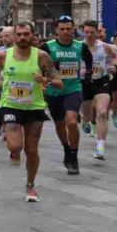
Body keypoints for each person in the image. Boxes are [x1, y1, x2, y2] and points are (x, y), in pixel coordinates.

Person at [0, 22, 62, 202]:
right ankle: (14, 151)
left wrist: (45, 80)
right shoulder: (3, 56)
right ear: (15, 36)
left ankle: (30, 184)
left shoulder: (42, 56)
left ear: (33, 35)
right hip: (11, 104)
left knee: (31, 149)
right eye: (19, 34)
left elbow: (59, 82)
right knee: (15, 146)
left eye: (26, 34)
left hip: (34, 107)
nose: (22, 37)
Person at [39, 16, 91, 175]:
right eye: (62, 29)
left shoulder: (80, 46)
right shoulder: (47, 47)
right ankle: (66, 149)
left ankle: (74, 156)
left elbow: (89, 60)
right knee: (60, 124)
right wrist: (44, 80)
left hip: (73, 88)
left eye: (69, 29)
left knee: (72, 121)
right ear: (56, 30)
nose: (66, 32)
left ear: (74, 29)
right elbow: (40, 66)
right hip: (53, 91)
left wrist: (88, 76)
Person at [80, 20, 117, 160]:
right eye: (86, 32)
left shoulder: (104, 46)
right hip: (85, 83)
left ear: (97, 33)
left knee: (102, 113)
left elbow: (115, 56)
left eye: (92, 32)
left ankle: (100, 145)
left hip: (101, 81)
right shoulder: (78, 47)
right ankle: (85, 120)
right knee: (87, 115)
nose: (89, 35)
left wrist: (114, 66)